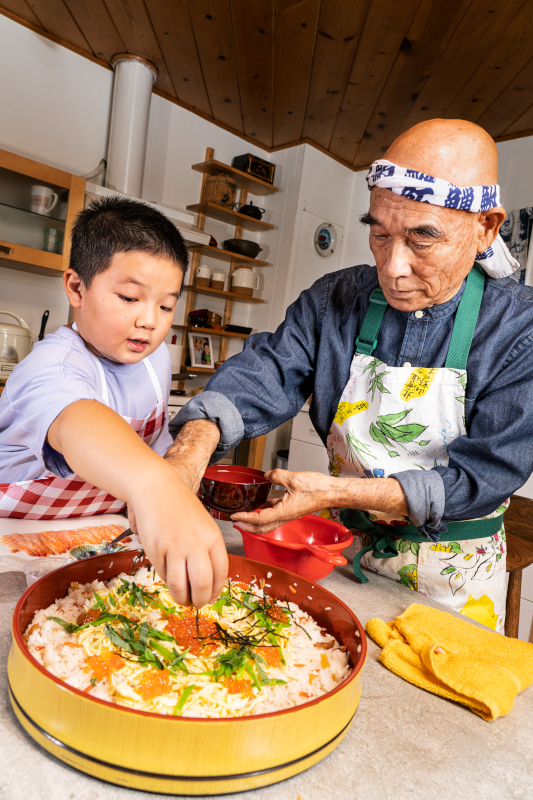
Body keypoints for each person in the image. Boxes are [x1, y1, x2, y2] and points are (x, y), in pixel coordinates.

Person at [168, 119, 533, 633]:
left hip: (454, 584)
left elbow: (484, 474)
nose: (392, 267)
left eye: (421, 238)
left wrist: (340, 492)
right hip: (336, 556)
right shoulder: (335, 298)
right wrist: (188, 453)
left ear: (486, 228)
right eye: (380, 234)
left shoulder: (520, 330)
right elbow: (265, 371)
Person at [0, 196, 227, 608]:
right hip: (14, 544)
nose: (150, 320)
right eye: (129, 298)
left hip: (105, 538)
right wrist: (159, 490)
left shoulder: (155, 356)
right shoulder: (51, 366)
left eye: (166, 305)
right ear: (76, 288)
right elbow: (78, 422)